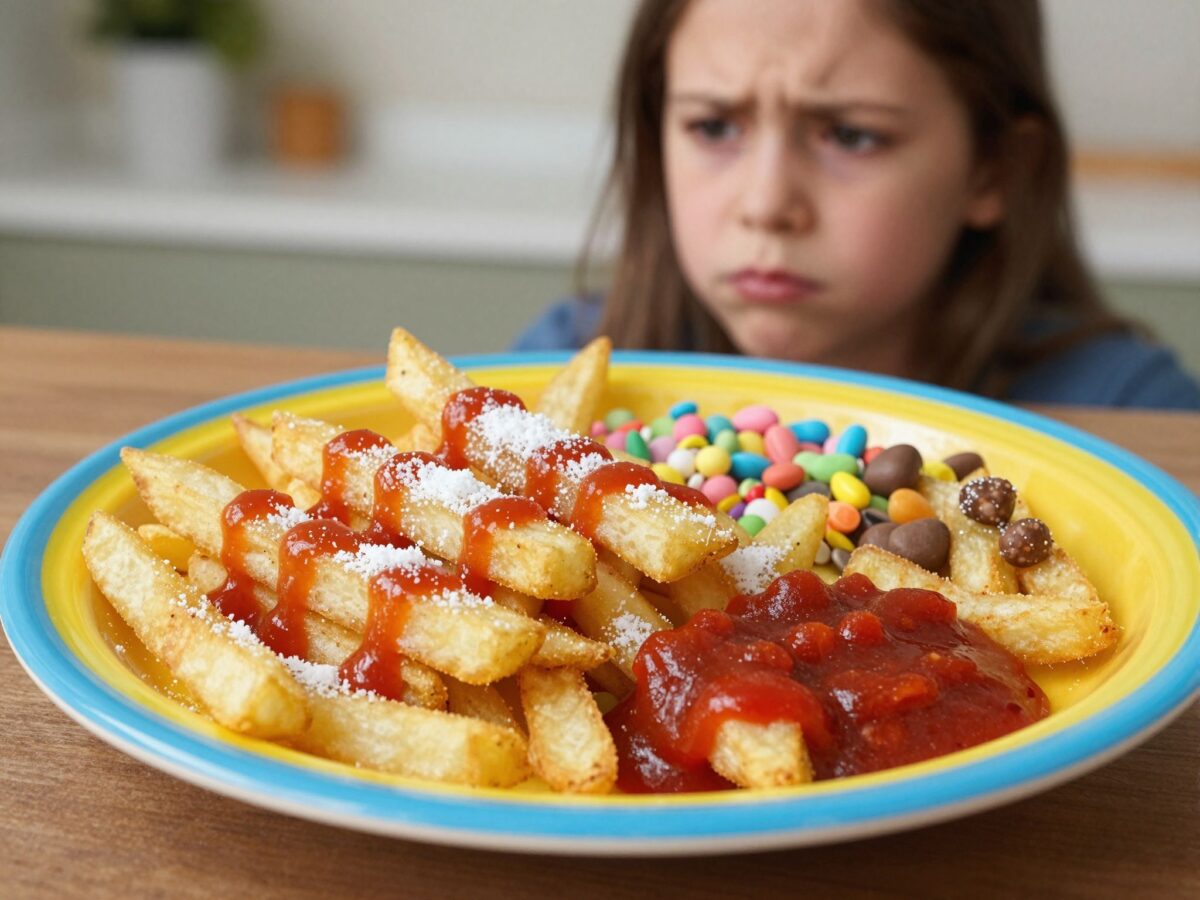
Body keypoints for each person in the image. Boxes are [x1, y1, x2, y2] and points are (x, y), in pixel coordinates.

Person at [512, 0, 1200, 409]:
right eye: (714, 127)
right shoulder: (557, 376)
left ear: (993, 169)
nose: (766, 204)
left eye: (850, 135)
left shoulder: (1134, 412)